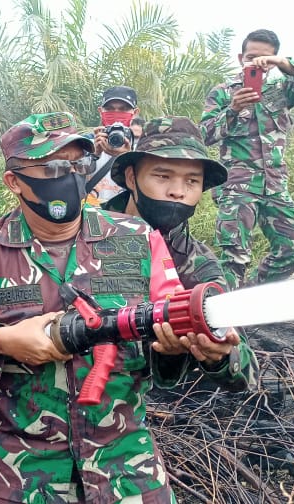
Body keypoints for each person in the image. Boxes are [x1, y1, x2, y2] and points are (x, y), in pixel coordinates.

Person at [0, 111, 244, 502]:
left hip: (128, 470)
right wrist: (1, 341)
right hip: (19, 474)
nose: (67, 176)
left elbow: (169, 331)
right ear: (14, 181)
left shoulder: (137, 239)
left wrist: (180, 348)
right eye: (51, 168)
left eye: (78, 164)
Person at [103, 116, 258, 391]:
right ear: (131, 177)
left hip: (128, 406)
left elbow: (245, 369)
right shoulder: (80, 231)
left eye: (192, 181)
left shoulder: (197, 264)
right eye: (162, 176)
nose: (177, 191)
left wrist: (218, 355)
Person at [200, 28, 294, 286]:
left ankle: (251, 296)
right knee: (234, 258)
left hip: (275, 185)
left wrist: (281, 63)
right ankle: (223, 323)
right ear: (239, 57)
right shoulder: (223, 92)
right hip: (237, 187)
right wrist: (233, 109)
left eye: (264, 59)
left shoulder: (283, 90)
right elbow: (204, 135)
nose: (255, 63)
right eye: (250, 57)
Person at [86, 86, 141, 205]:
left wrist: (128, 157)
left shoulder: (142, 150)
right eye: (109, 108)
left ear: (135, 113)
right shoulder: (84, 145)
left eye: (124, 109)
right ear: (101, 111)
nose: (116, 113)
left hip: (126, 216)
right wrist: (93, 155)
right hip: (91, 214)